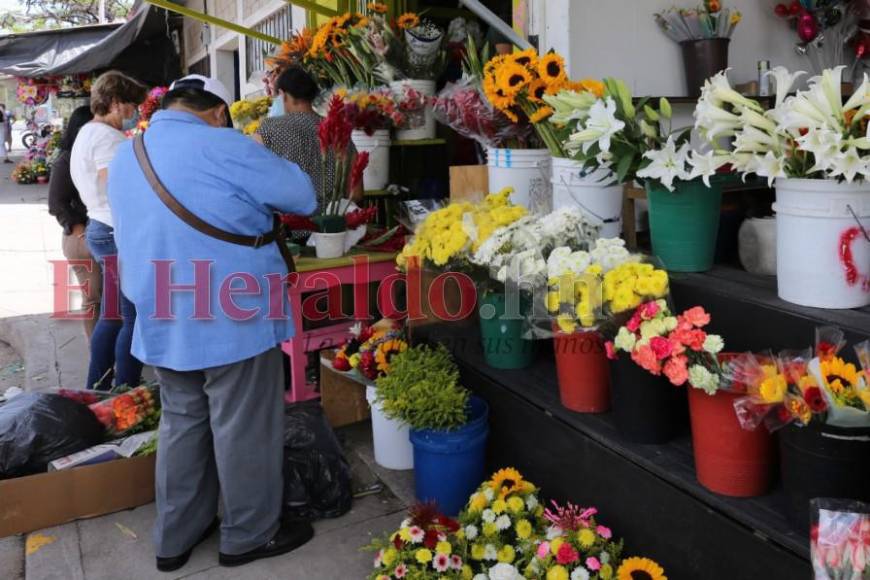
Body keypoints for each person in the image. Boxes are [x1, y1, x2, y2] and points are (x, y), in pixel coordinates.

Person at [108, 74, 317, 572]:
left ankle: (175, 537)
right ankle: (247, 535)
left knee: (184, 423)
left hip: (161, 311)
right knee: (243, 426)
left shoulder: (126, 155)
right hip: (232, 313)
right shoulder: (223, 143)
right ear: (219, 110)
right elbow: (303, 196)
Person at [70, 70, 147, 390]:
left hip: (101, 227)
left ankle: (99, 388)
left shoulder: (88, 132)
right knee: (132, 317)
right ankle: (123, 389)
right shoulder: (105, 137)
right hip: (114, 230)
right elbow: (113, 183)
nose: (135, 113)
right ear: (115, 103)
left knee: (114, 315)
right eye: (131, 106)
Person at [253, 66, 362, 207]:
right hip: (334, 225)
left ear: (283, 95)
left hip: (289, 225)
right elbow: (356, 193)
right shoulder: (339, 130)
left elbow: (254, 183)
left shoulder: (268, 129)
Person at [48, 105, 102, 339]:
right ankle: (100, 360)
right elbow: (56, 204)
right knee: (94, 296)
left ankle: (109, 355)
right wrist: (81, 233)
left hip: (101, 232)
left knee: (111, 298)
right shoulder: (67, 160)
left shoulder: (98, 156)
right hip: (81, 235)